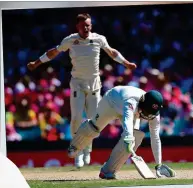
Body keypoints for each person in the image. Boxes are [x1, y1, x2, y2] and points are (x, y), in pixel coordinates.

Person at [27, 13, 137, 168]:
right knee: (77, 118)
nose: (87, 28)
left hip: (94, 84)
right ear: (77, 26)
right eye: (84, 25)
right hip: (77, 84)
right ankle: (77, 151)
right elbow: (54, 52)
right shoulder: (70, 40)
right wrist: (37, 63)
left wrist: (126, 63)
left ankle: (88, 149)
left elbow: (112, 52)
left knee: (93, 120)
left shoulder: (99, 39)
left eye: (89, 25)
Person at [68, 85, 176, 179]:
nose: (148, 116)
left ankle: (108, 171)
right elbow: (127, 120)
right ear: (142, 103)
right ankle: (75, 146)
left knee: (133, 139)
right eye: (146, 112)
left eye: (151, 113)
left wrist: (159, 163)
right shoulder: (131, 101)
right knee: (94, 128)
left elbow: (155, 137)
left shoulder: (154, 113)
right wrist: (128, 137)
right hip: (111, 103)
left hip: (130, 111)